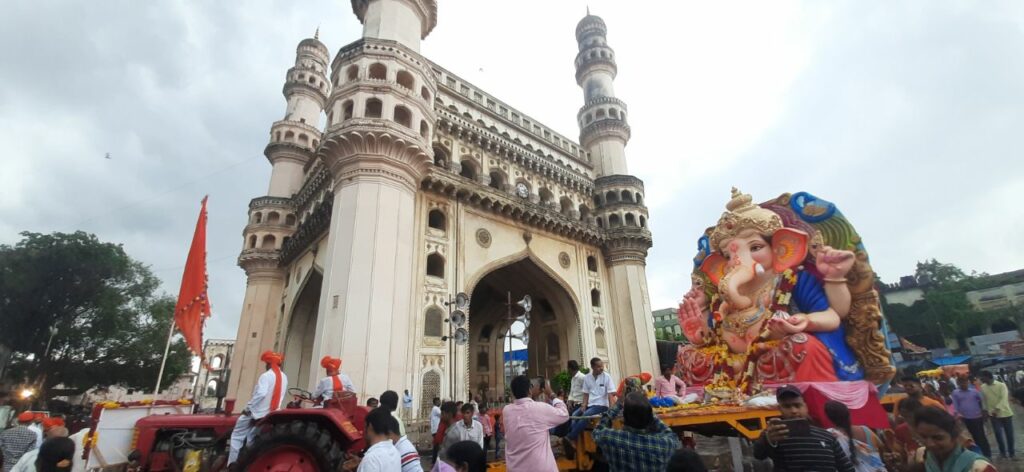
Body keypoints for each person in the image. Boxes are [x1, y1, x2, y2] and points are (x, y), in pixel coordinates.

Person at [753, 385, 855, 472]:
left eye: (797, 405)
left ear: (805, 407)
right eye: (787, 406)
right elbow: (758, 454)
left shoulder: (827, 436)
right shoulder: (775, 433)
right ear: (780, 409)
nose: (793, 411)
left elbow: (847, 468)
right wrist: (768, 440)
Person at [227, 350, 288, 466]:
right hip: (273, 414)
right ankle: (250, 460)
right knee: (251, 436)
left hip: (257, 413)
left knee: (236, 436)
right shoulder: (284, 377)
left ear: (270, 364)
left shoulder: (266, 376)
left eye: (266, 363)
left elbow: (261, 394)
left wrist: (248, 408)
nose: (265, 365)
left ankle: (232, 464)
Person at [592, 391, 681, 471]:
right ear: (649, 418)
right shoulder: (664, 444)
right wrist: (648, 411)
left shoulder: (611, 438)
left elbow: (597, 430)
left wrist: (618, 404)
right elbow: (669, 433)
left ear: (624, 417)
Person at [502, 375, 569, 472]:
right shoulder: (540, 408)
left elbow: (528, 411)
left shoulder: (507, 411)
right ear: (530, 390)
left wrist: (532, 394)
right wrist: (551, 393)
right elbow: (564, 414)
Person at [910, 406, 997, 472]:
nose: (929, 444)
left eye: (938, 438)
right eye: (923, 437)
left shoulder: (978, 467)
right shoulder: (923, 455)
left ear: (954, 435)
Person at [565, 357, 616, 449]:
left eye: (602, 366)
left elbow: (610, 395)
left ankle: (570, 437)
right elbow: (585, 394)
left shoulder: (607, 377)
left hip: (602, 405)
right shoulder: (587, 378)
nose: (602, 368)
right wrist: (583, 405)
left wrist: (611, 409)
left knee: (586, 415)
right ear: (592, 367)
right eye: (599, 366)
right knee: (575, 414)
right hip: (590, 405)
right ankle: (572, 438)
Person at [824, 400, 886, 472]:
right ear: (848, 413)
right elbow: (881, 449)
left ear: (829, 418)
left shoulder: (830, 435)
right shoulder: (865, 430)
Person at [952, 376, 991, 458]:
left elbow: (982, 401)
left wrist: (984, 412)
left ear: (968, 382)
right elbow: (956, 406)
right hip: (966, 419)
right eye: (962, 382)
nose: (964, 384)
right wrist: (958, 416)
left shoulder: (974, 391)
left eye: (966, 382)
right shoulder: (955, 393)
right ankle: (979, 455)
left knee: (981, 437)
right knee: (972, 437)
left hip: (977, 417)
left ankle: (987, 454)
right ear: (958, 383)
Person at [978, 370, 1014, 460]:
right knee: (998, 434)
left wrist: (996, 409)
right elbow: (984, 401)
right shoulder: (982, 387)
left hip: (1006, 413)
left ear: (987, 376)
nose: (981, 379)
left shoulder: (1001, 385)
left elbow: (1004, 399)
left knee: (1009, 434)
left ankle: (1012, 453)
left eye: (982, 377)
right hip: (993, 416)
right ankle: (1002, 453)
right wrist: (984, 411)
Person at [429, 397, 442, 462]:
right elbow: (442, 415)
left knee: (436, 446)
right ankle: (434, 460)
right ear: (435, 402)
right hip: (436, 430)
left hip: (435, 430)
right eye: (438, 401)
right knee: (437, 446)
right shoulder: (436, 409)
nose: (440, 402)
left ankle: (434, 460)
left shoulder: (434, 409)